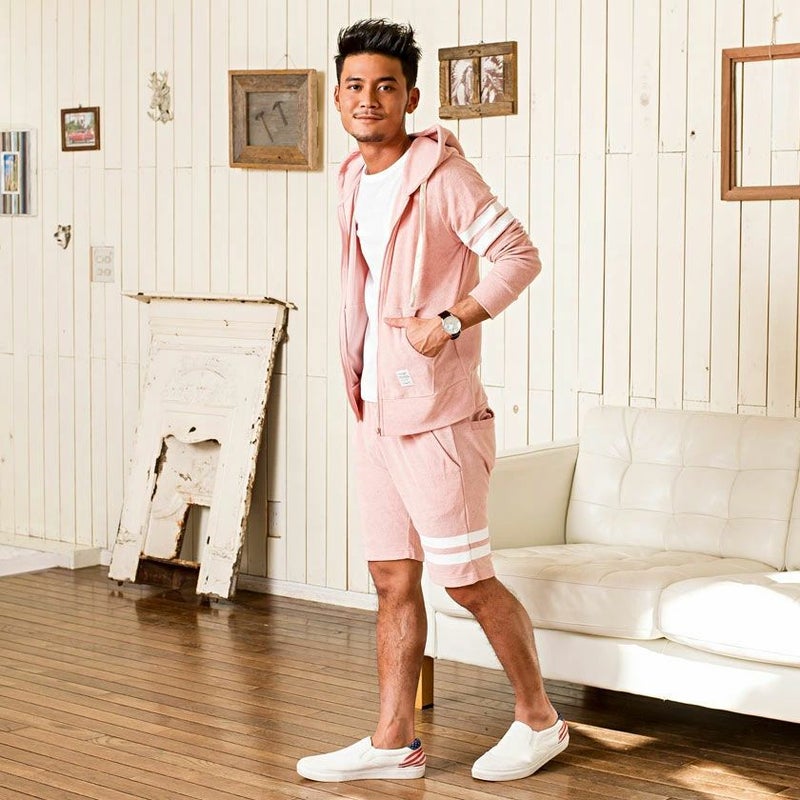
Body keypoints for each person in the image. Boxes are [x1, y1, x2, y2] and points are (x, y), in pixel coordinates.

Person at [296, 18, 569, 784]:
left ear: (410, 98)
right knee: (391, 577)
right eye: (355, 86)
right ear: (338, 98)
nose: (369, 99)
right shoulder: (351, 178)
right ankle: (394, 741)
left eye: (385, 87)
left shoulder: (444, 176)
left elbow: (518, 255)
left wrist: (450, 321)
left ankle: (540, 721)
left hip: (440, 419)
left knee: (467, 579)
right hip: (375, 412)